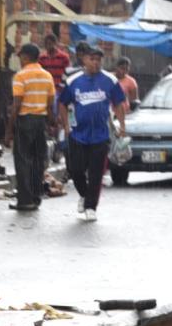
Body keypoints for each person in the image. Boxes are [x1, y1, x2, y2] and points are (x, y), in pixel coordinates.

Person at [56, 44, 128, 222]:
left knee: (96, 173)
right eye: (92, 59)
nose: (96, 63)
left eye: (98, 60)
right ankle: (84, 195)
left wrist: (122, 126)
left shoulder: (109, 80)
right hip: (77, 134)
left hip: (100, 135)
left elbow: (119, 103)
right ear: (84, 60)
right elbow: (62, 103)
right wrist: (66, 126)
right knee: (76, 169)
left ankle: (91, 206)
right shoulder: (74, 81)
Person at [7, 41, 56, 211]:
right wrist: (51, 124)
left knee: (22, 161)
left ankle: (25, 200)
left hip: (25, 120)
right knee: (37, 161)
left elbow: (16, 105)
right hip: (40, 122)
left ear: (26, 57)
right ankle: (36, 197)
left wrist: (8, 131)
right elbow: (50, 105)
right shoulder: (47, 76)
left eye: (21, 56)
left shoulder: (20, 76)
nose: (20, 59)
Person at [108, 57, 140, 186]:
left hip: (123, 115)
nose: (124, 71)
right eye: (122, 68)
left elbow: (134, 101)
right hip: (109, 115)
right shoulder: (109, 79)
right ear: (116, 67)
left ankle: (120, 170)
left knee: (120, 144)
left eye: (127, 69)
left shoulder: (131, 82)